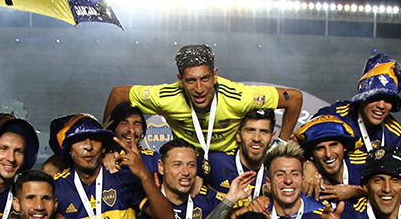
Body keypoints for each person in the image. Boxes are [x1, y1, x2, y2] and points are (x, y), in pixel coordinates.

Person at [103, 43, 303, 154]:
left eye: (205, 79)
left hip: (230, 159)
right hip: (189, 159)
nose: (199, 89)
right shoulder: (166, 97)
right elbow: (118, 94)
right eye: (191, 80)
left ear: (215, 75)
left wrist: (282, 143)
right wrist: (106, 141)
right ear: (180, 80)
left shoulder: (239, 96)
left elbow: (293, 99)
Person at [315, 53, 401, 181]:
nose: (381, 105)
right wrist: (309, 165)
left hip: (366, 192)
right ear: (362, 97)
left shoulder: (395, 134)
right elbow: (304, 145)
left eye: (388, 100)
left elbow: (396, 169)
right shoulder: (335, 115)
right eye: (375, 97)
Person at [202, 107, 274, 201]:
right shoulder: (215, 162)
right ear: (238, 135)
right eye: (250, 130)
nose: (256, 138)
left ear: (272, 137)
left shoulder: (276, 172)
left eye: (264, 132)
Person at [293, 114, 365, 202]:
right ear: (311, 154)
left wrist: (358, 192)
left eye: (333, 145)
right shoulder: (305, 181)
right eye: (320, 148)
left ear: (345, 146)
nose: (328, 154)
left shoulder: (364, 166)